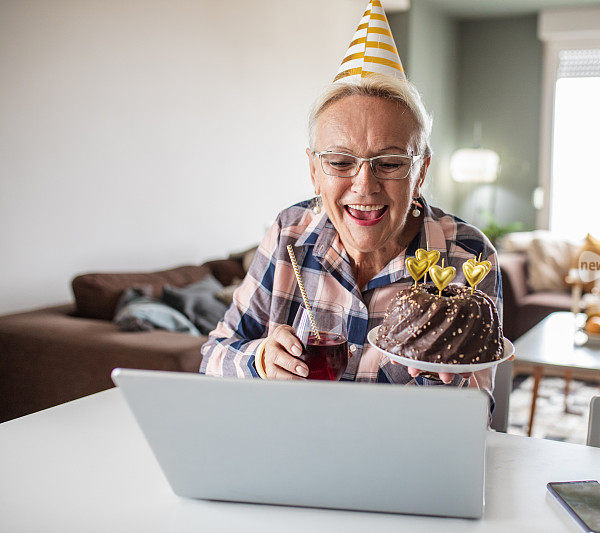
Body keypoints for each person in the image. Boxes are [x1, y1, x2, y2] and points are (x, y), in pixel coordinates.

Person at [200, 1, 502, 406]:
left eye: (390, 163)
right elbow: (214, 355)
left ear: (421, 172)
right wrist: (260, 360)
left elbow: (476, 414)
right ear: (313, 170)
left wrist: (452, 385)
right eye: (341, 162)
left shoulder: (467, 255)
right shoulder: (291, 231)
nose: (364, 185)